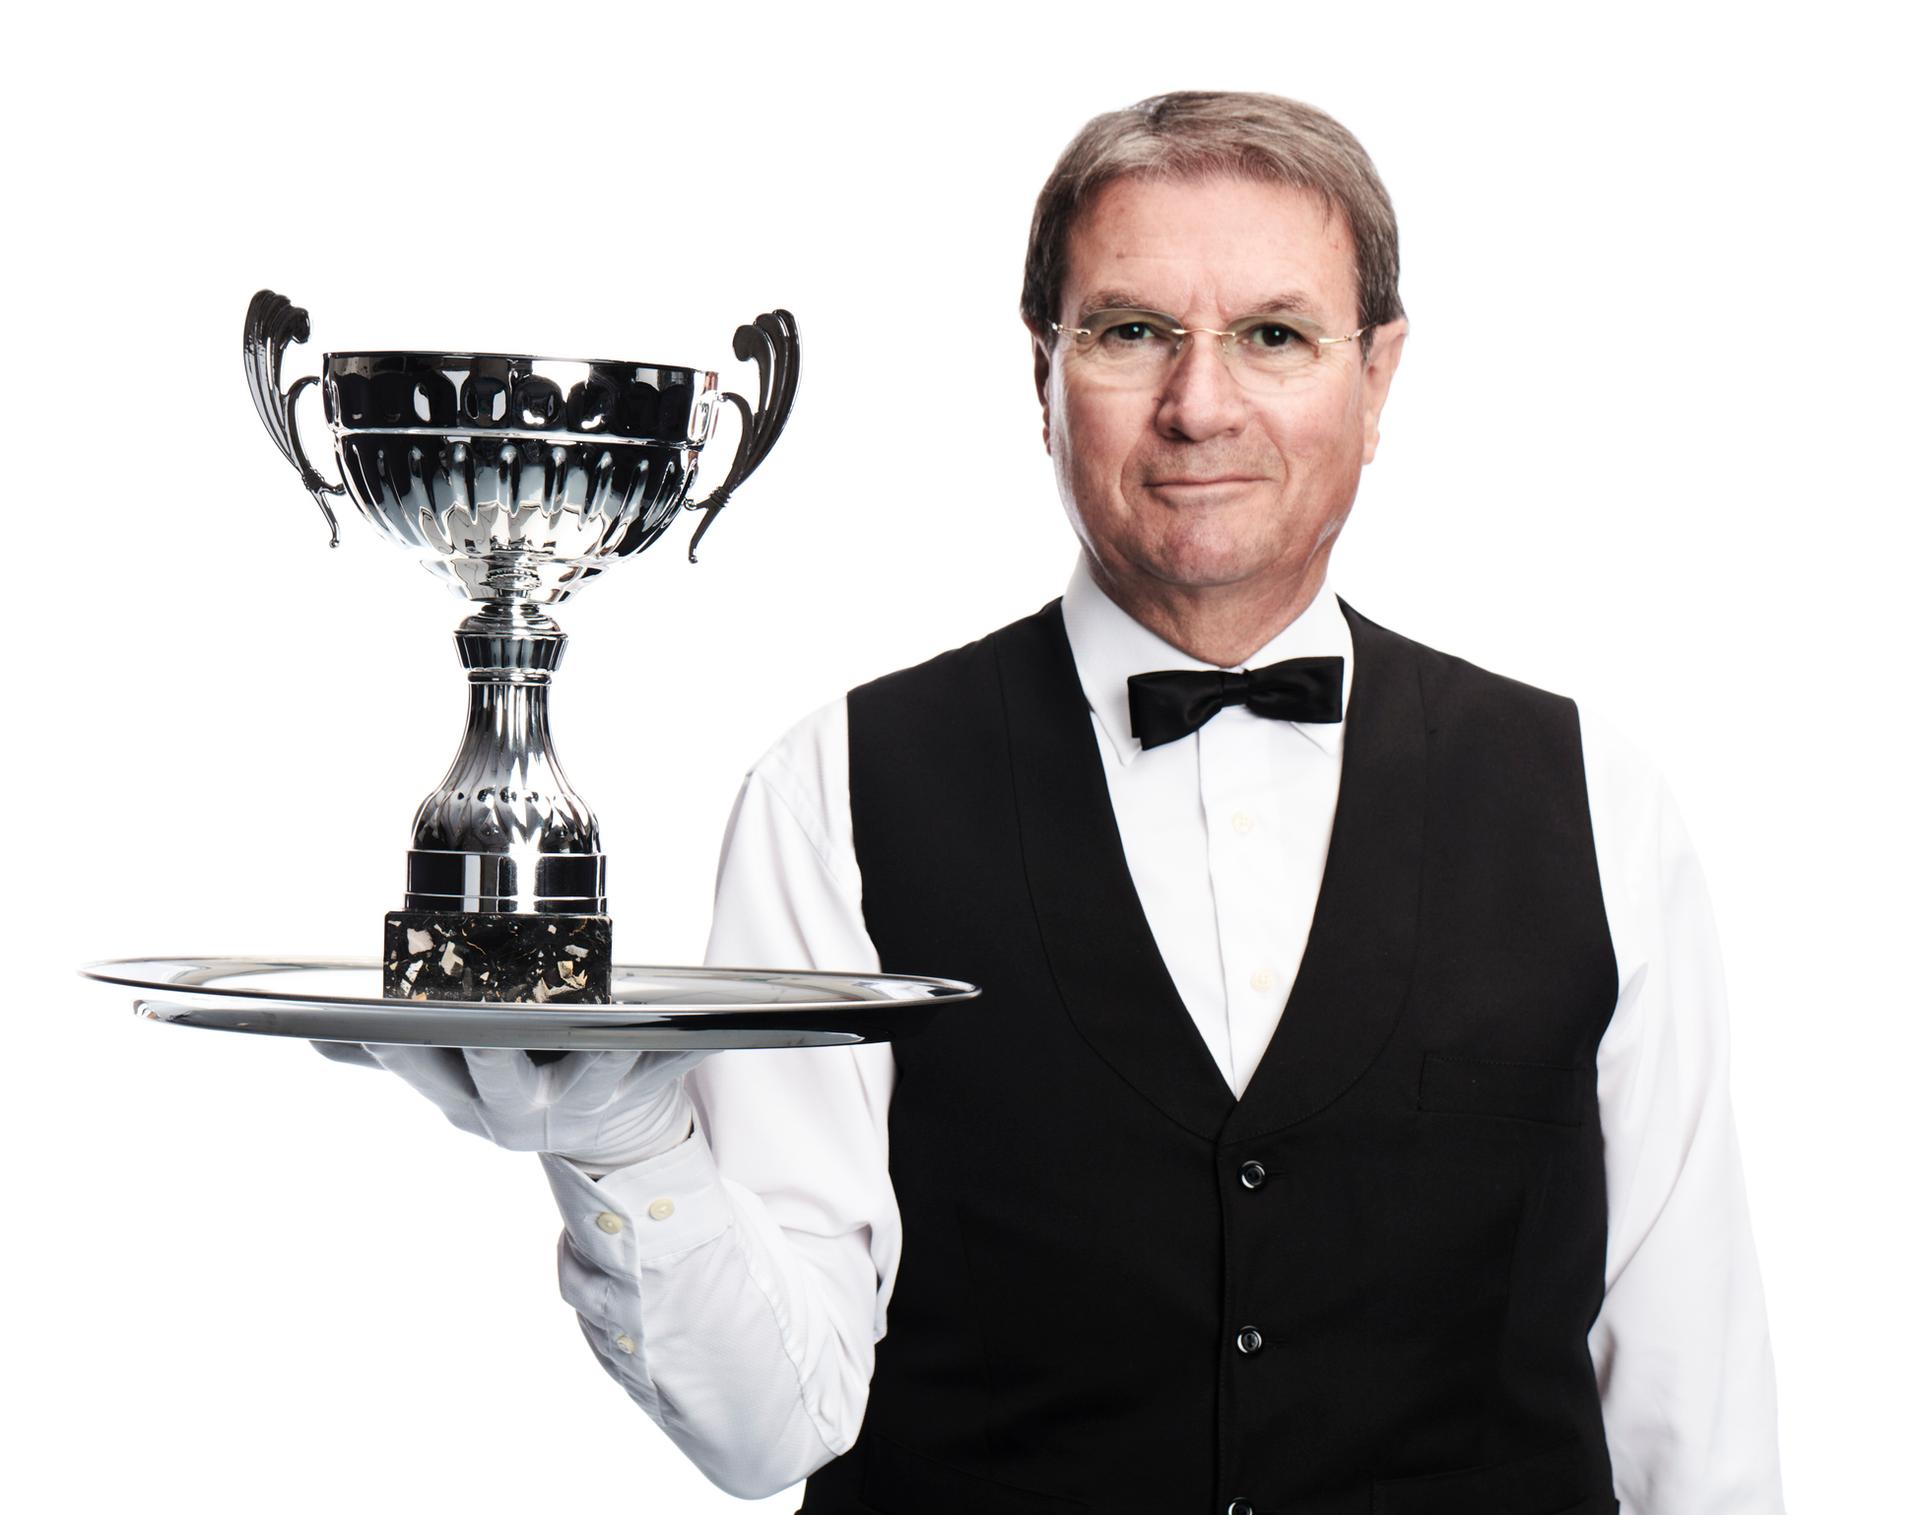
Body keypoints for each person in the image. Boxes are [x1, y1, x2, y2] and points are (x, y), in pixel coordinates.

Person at [340, 92, 1786, 1515]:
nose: (1199, 403)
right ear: (1041, 370)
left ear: (1379, 374)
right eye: (1131, 331)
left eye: (1273, 335)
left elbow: (1693, 1418)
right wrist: (623, 1135)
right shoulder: (838, 790)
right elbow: (771, 1424)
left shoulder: (1596, 806)